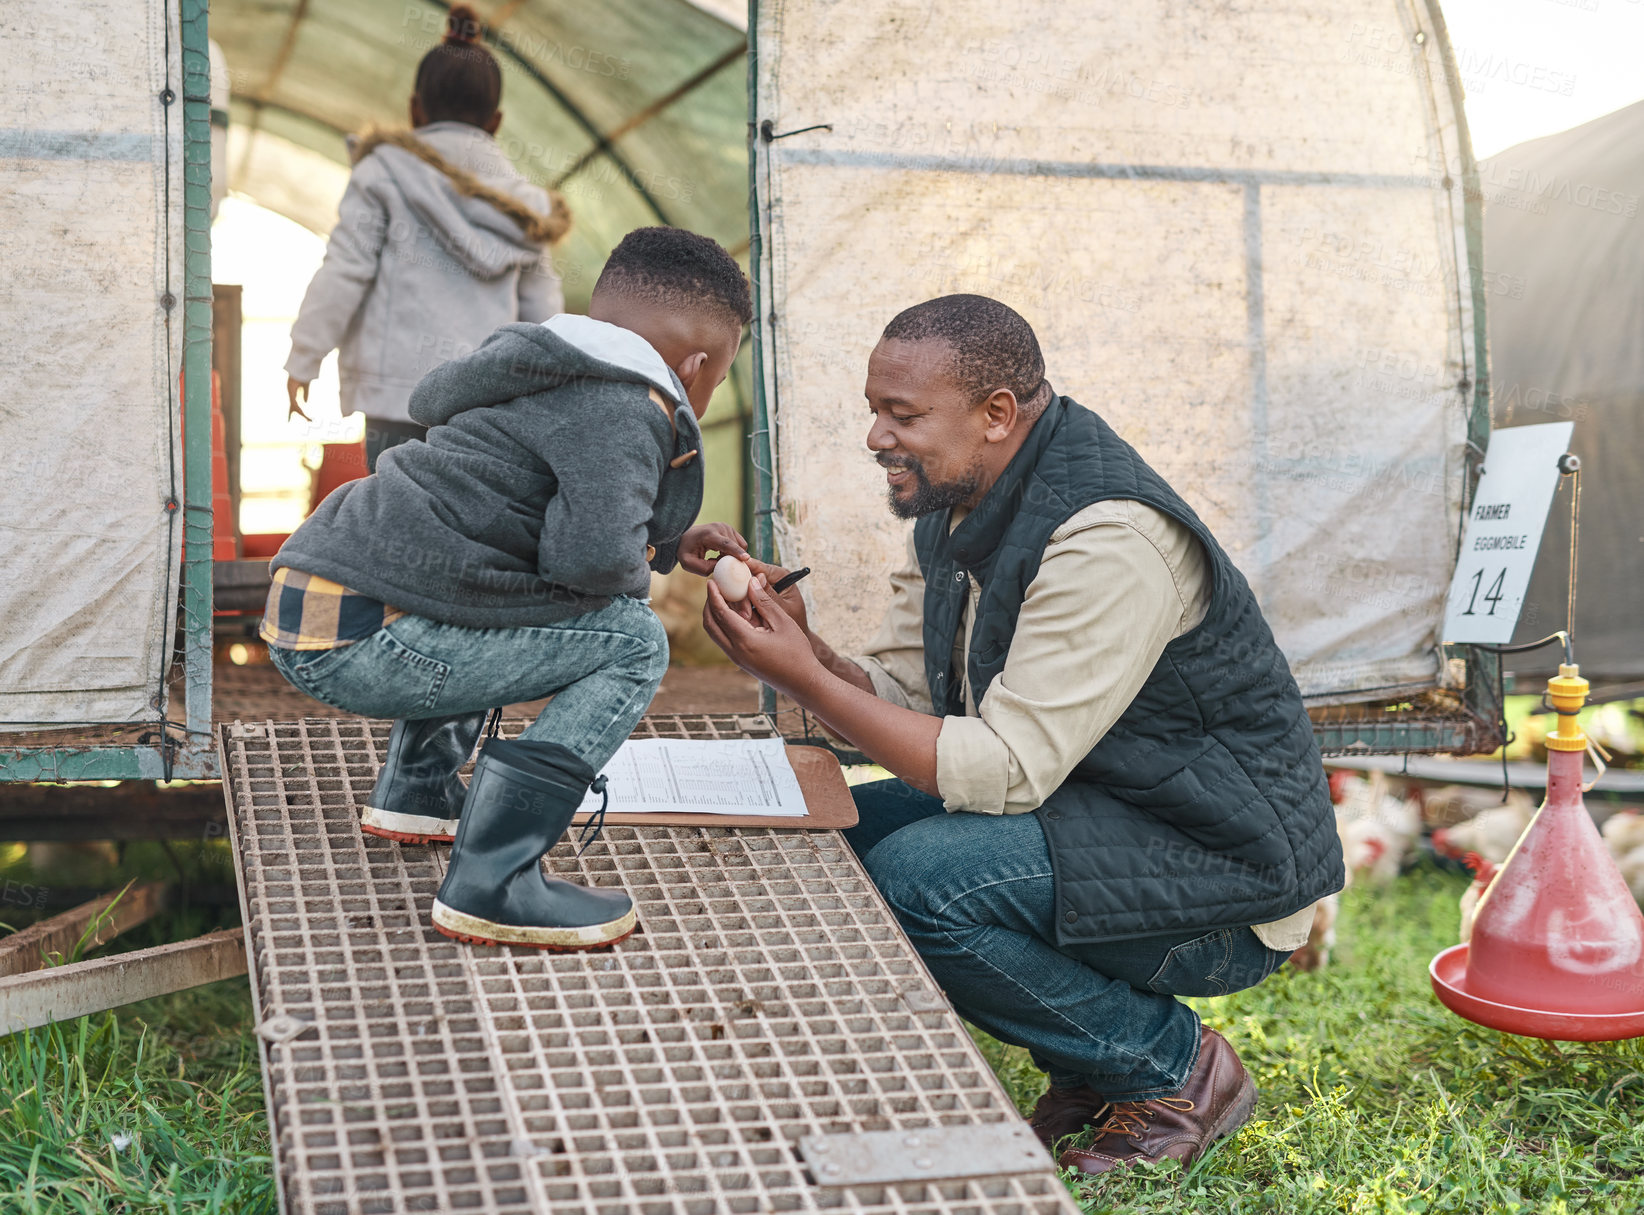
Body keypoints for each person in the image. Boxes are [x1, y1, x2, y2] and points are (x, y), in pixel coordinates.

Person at [702, 295, 1344, 1173]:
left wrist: (805, 679)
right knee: (842, 838)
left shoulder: (1108, 536)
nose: (875, 438)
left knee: (923, 881)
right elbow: (908, 697)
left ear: (997, 414)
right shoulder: (955, 499)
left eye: (903, 414)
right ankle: (1091, 1063)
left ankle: (1173, 1067)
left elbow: (1003, 770)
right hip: (1100, 810)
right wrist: (803, 648)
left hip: (1223, 868)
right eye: (873, 409)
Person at [261, 226, 753, 951]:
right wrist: (638, 560)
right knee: (631, 639)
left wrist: (671, 544)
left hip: (319, 598)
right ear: (698, 363)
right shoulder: (629, 403)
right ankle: (494, 881)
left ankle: (419, 793)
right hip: (368, 636)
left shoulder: (537, 362)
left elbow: (529, 520)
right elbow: (588, 561)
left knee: (516, 583)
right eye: (715, 378)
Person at [283, 4, 568, 471]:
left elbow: (345, 270)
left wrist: (304, 357)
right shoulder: (527, 210)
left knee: (397, 517)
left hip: (397, 398)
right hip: (486, 404)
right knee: (468, 524)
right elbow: (544, 316)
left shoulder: (384, 174)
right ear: (495, 121)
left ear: (415, 110)